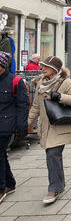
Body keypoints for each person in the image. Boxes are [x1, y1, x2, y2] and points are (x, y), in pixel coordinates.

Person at [28, 56, 71, 204]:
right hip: (45, 127)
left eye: (46, 66)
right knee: (53, 157)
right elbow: (36, 107)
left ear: (55, 69)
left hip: (60, 126)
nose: (42, 68)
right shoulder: (40, 83)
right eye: (42, 66)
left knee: (52, 155)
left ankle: (54, 188)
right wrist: (26, 123)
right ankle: (60, 184)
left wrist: (59, 96)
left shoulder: (65, 82)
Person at [0, 52, 28, 203]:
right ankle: (10, 184)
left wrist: (22, 126)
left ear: (2, 66)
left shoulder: (16, 81)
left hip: (6, 125)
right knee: (2, 155)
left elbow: (23, 105)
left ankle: (1, 188)